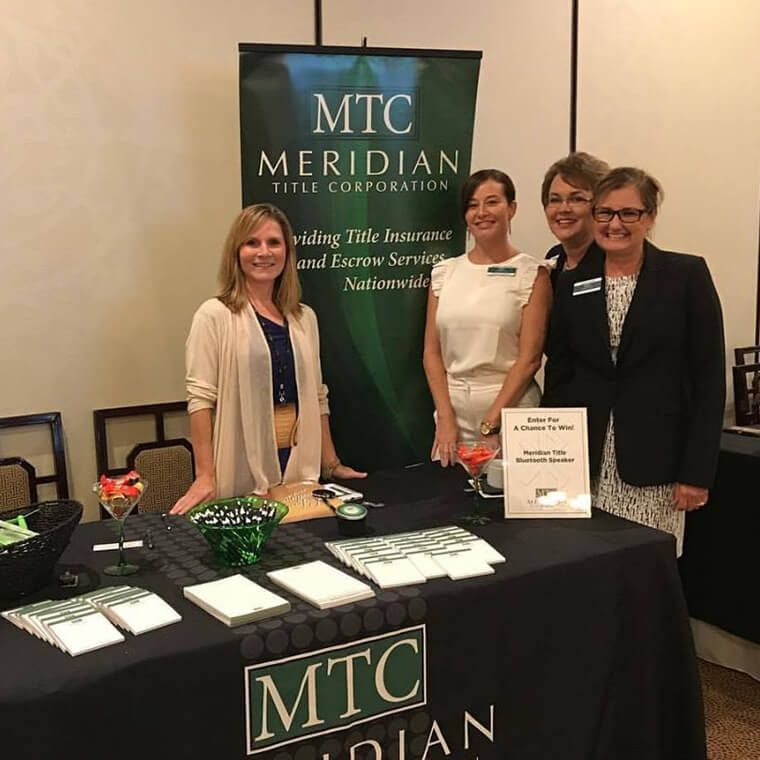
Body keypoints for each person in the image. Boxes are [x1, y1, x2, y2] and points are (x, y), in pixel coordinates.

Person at [543, 167, 725, 555]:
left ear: (650, 217)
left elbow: (708, 380)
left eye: (629, 213)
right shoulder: (574, 283)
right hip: (585, 462)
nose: (615, 224)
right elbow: (560, 372)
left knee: (649, 572)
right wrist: (549, 455)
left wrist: (697, 473)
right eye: (605, 213)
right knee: (584, 565)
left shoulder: (686, 275)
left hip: (657, 466)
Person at [171, 204, 365, 514]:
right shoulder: (214, 316)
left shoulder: (305, 318)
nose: (264, 252)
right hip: (243, 468)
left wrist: (330, 463)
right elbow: (200, 400)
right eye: (252, 242)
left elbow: (317, 396)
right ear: (236, 251)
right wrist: (204, 476)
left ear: (287, 252)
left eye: (274, 242)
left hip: (298, 470)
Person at [423, 169, 552, 466]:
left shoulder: (533, 273)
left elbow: (530, 359)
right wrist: (444, 417)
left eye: (492, 202)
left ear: (512, 208)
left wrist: (491, 422)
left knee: (506, 501)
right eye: (472, 205)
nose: (481, 213)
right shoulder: (444, 273)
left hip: (510, 411)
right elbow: (431, 352)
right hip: (452, 414)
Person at [541, 152, 609, 289]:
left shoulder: (614, 260)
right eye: (555, 200)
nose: (563, 209)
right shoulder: (554, 257)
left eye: (577, 199)